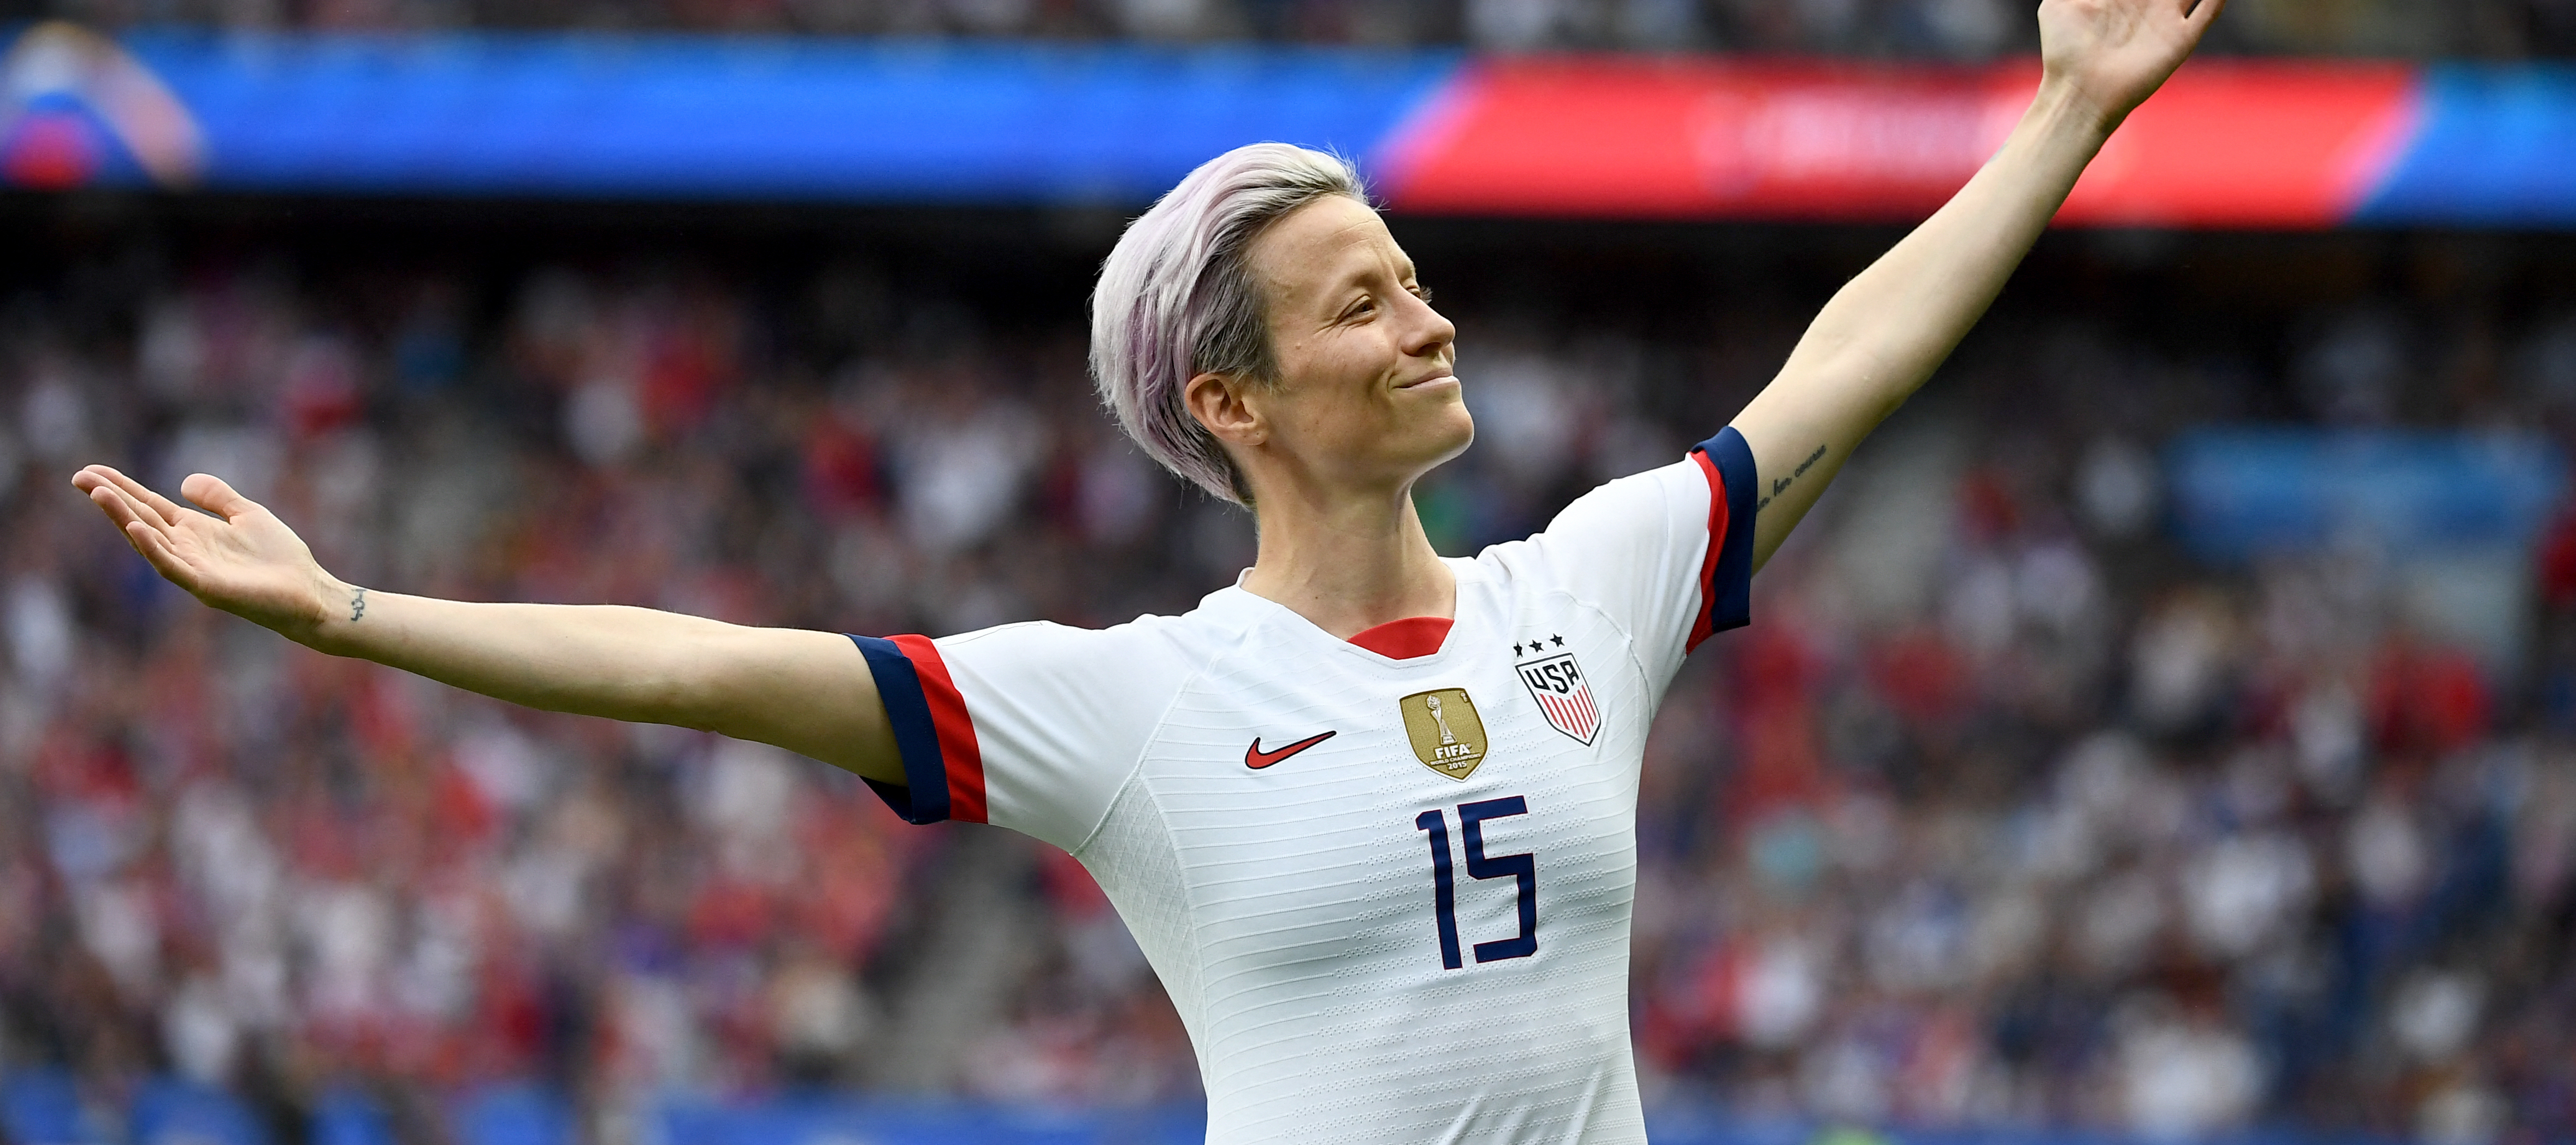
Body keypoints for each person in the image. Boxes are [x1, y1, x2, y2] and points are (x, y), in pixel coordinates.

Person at [74, 0, 2223, 1138]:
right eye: (1365, 304)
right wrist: (357, 613)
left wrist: (2064, 120)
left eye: (1416, 274)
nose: (1431, 319)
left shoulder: (1588, 593)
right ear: (1236, 401)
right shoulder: (1131, 706)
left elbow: (1845, 361)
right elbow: (695, 665)